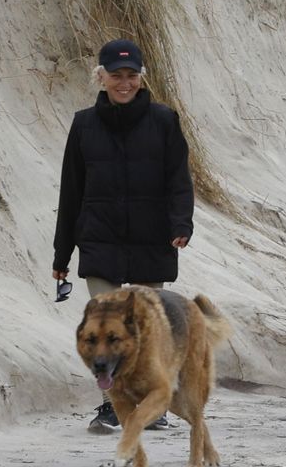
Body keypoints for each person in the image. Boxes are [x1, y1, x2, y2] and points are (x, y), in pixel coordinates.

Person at [52, 38, 194, 434]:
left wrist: (181, 223)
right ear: (101, 77)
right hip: (100, 238)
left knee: (146, 327)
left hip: (151, 238)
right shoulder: (84, 124)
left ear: (141, 78)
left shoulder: (164, 121)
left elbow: (179, 180)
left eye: (132, 76)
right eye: (116, 75)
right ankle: (112, 406)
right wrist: (62, 255)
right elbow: (71, 192)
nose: (124, 83)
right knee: (104, 327)